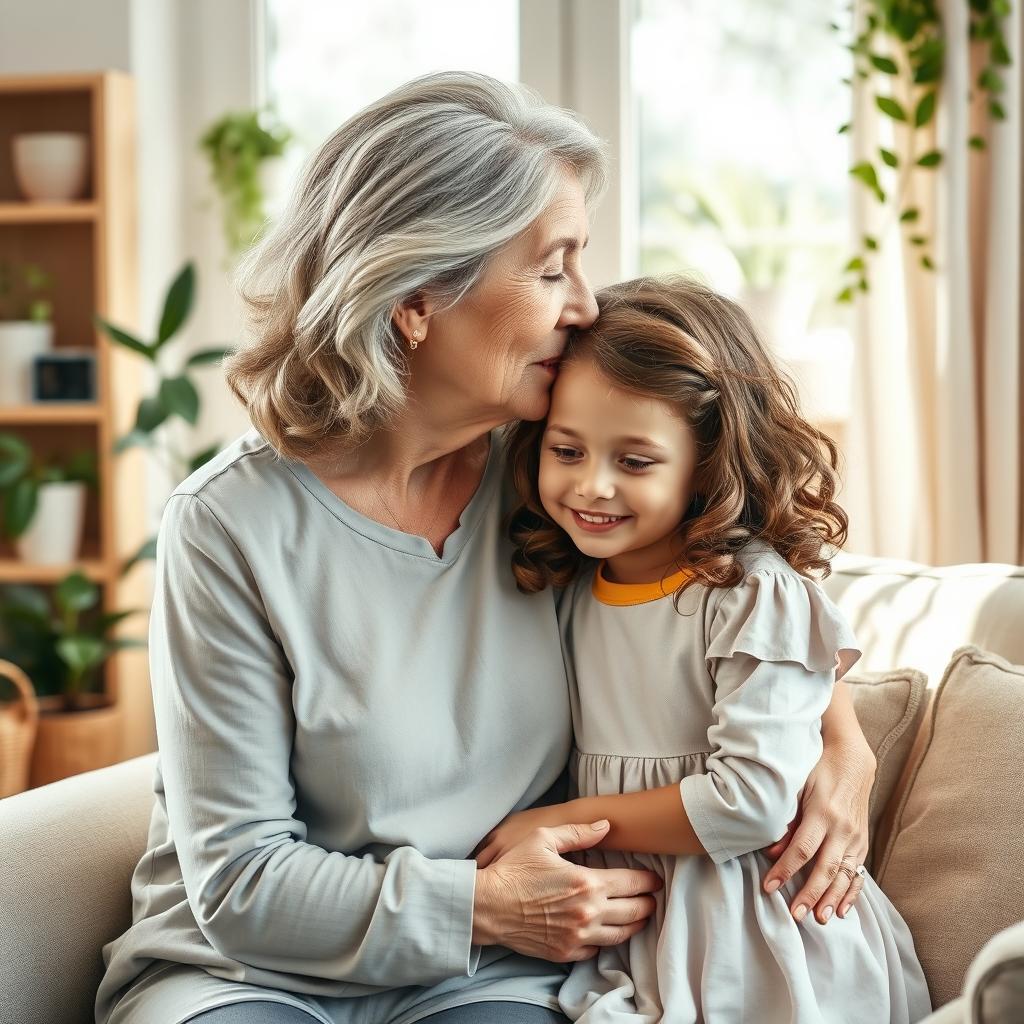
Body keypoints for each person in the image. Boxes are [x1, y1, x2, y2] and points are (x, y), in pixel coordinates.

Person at [94, 74, 878, 1024]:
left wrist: (841, 740)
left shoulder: (556, 476)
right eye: (553, 269)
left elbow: (736, 563)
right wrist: (483, 902)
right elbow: (239, 887)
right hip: (247, 973)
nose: (585, 307)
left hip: (492, 972)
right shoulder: (228, 524)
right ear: (419, 294)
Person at [483, 276, 933, 1023]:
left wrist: (563, 822)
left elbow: (750, 803)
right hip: (627, 920)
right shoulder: (567, 580)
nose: (592, 487)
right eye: (567, 449)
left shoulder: (752, 592)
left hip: (753, 927)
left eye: (636, 461)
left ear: (707, 459)